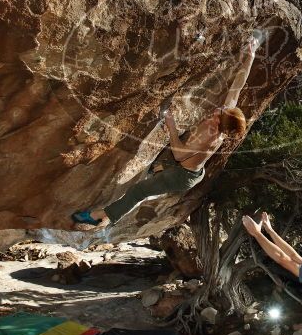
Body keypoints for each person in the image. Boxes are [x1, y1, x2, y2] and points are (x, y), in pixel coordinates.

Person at [71, 34, 261, 227]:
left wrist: (171, 125)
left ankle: (101, 217)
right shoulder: (226, 115)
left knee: (139, 190)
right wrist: (250, 56)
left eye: (219, 113)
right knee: (158, 167)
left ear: (220, 124)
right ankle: (159, 169)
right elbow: (238, 86)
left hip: (182, 176)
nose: (217, 109)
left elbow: (179, 155)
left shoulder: (209, 138)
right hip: (190, 167)